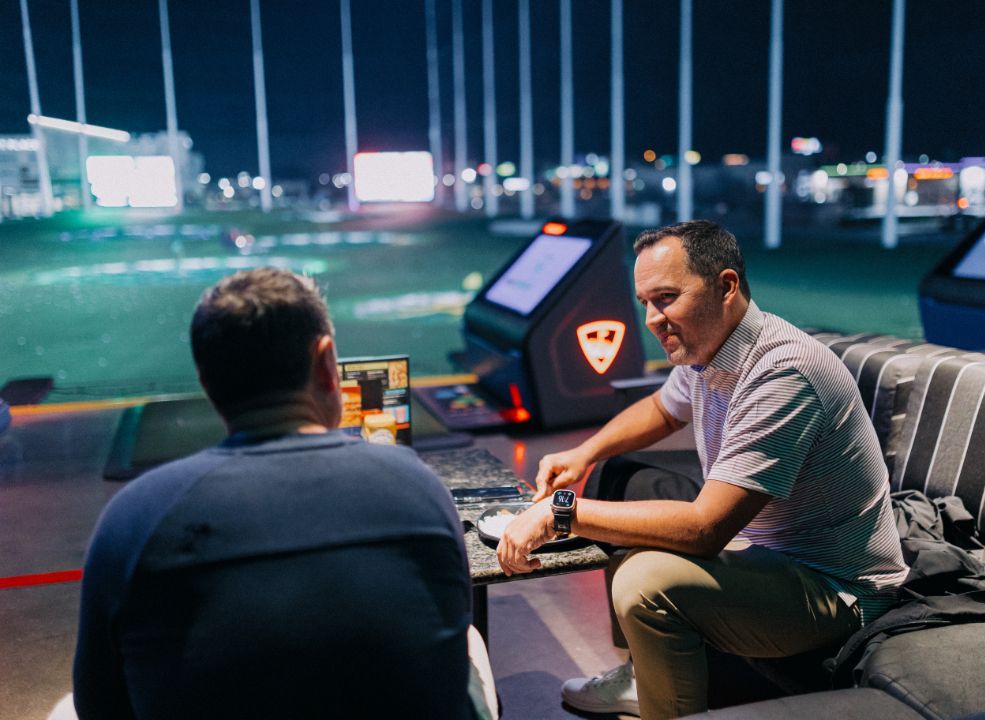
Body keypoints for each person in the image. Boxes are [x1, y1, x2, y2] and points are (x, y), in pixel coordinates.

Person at [496, 221, 908, 720]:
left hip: (836, 590)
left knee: (644, 579)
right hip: (768, 554)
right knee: (623, 477)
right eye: (646, 302)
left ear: (726, 286)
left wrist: (561, 513)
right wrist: (584, 453)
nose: (653, 319)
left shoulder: (784, 372)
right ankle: (644, 674)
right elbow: (663, 409)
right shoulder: (708, 346)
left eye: (666, 298)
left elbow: (705, 529)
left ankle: (665, 703)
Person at [73, 268, 496, 719]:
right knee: (469, 639)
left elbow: (99, 703)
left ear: (206, 379)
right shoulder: (418, 487)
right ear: (326, 363)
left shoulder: (135, 518)